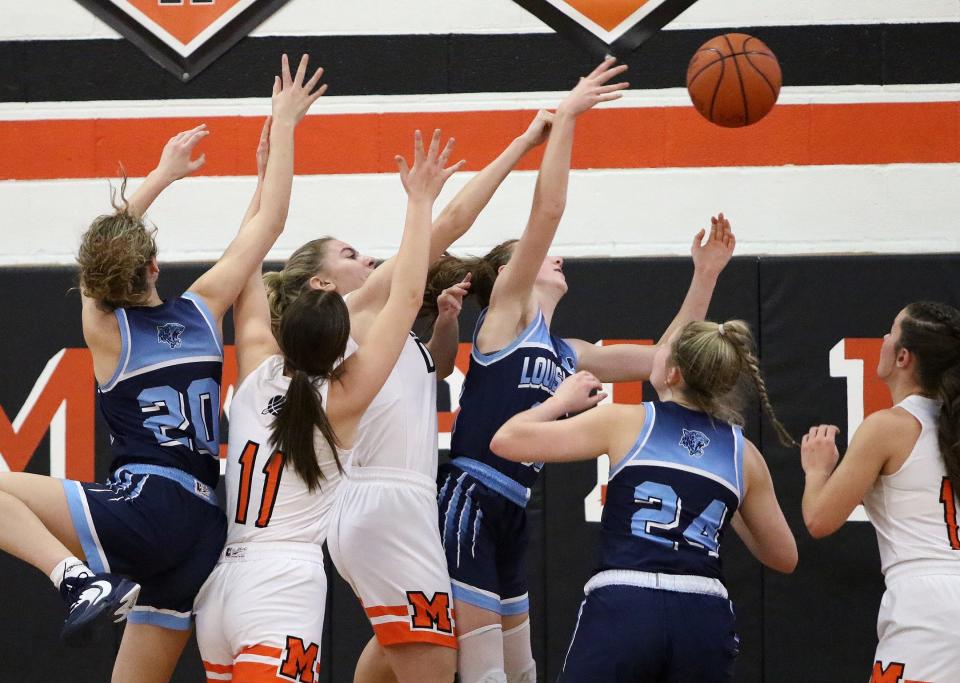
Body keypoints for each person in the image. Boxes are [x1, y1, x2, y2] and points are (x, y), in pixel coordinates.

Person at [0, 53, 324, 683]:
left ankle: (74, 579)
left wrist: (159, 176)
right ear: (154, 268)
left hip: (150, 505)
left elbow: (101, 259)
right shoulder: (203, 309)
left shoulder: (105, 329)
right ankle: (88, 583)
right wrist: (282, 128)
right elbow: (268, 224)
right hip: (205, 530)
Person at [432, 57, 737, 683]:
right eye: (539, 258)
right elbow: (546, 215)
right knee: (484, 675)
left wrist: (703, 277)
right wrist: (567, 117)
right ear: (508, 275)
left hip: (516, 505)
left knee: (522, 675)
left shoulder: (567, 349)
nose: (556, 256)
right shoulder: (508, 317)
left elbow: (665, 364)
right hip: (472, 494)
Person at [263, 109, 557, 683]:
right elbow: (448, 221)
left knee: (411, 646)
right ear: (321, 284)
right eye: (349, 256)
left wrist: (444, 325)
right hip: (384, 500)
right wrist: (520, 142)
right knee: (436, 660)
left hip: (399, 502)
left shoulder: (377, 329)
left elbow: (434, 374)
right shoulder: (353, 313)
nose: (367, 259)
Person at [194, 127, 458, 683]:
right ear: (343, 345)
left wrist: (265, 175)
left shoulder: (255, 373)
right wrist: (419, 202)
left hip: (221, 584)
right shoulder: (339, 400)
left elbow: (248, 262)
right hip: (281, 587)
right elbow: (408, 296)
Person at [491, 319, 798, 682]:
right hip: (702, 611)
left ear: (672, 374)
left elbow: (506, 440)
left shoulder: (629, 421)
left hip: (627, 600)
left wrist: (560, 402)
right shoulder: (742, 454)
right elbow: (783, 556)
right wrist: (721, 502)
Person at [801, 302, 960, 683]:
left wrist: (817, 470)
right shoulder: (951, 427)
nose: (883, 339)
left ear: (903, 357)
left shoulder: (888, 426)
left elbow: (819, 519)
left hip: (927, 606)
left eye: (891, 331)